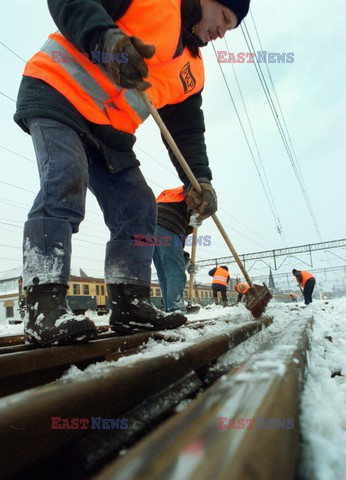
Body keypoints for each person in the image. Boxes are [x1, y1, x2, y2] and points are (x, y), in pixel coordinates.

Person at [14, 0, 250, 345]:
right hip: (59, 94)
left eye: (230, 29)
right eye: (225, 18)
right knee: (65, 179)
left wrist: (198, 179)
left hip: (109, 132)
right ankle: (42, 305)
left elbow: (186, 131)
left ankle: (130, 304)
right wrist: (105, 41)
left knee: (139, 207)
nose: (221, 33)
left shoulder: (193, 71)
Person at [153, 186, 198, 313]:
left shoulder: (171, 195)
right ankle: (176, 309)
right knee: (175, 273)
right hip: (168, 224)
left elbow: (172, 250)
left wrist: (187, 260)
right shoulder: (196, 192)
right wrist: (197, 216)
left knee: (164, 274)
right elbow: (174, 248)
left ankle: (170, 310)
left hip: (149, 227)